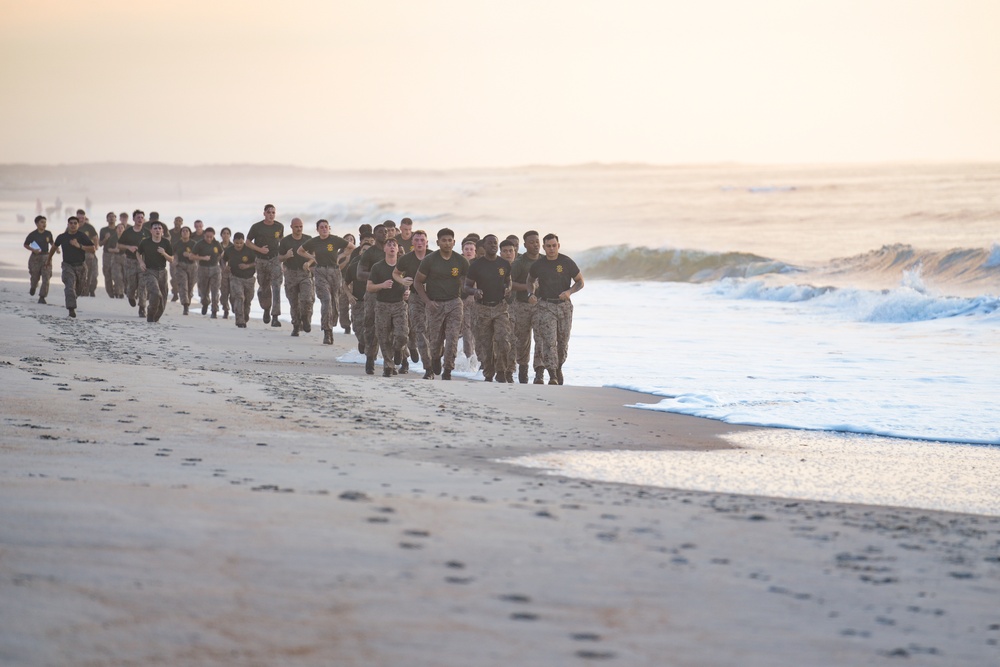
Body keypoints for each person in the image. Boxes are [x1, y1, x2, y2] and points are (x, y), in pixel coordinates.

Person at [527, 233, 584, 385]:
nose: (551, 249)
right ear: (544, 247)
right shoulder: (538, 265)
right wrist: (530, 293)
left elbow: (580, 282)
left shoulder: (567, 262)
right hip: (545, 305)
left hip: (564, 306)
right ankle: (552, 375)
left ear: (558, 245)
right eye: (548, 246)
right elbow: (530, 280)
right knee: (549, 341)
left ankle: (558, 367)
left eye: (554, 245)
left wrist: (569, 291)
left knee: (563, 342)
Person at [414, 228, 469, 380]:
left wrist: (469, 294)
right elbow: (417, 282)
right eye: (443, 240)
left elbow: (469, 280)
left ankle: (448, 370)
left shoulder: (460, 261)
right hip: (435, 304)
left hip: (454, 303)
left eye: (449, 240)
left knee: (452, 338)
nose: (447, 243)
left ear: (454, 242)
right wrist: (427, 302)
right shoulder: (430, 260)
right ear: (438, 242)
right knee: (435, 341)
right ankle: (434, 362)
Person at [465, 235, 513, 382]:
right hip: (482, 308)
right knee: (485, 345)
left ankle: (501, 371)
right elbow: (466, 286)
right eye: (490, 243)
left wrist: (508, 288)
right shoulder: (476, 265)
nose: (493, 245)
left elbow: (509, 281)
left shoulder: (504, 264)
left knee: (503, 341)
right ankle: (488, 373)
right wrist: (475, 292)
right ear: (483, 246)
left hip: (500, 307)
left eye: (495, 243)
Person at [299, 219, 350, 344]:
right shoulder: (314, 241)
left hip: (335, 272)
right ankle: (327, 332)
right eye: (321, 227)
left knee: (335, 301)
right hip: (321, 272)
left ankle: (331, 324)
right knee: (326, 300)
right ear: (317, 229)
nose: (324, 229)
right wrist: (311, 257)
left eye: (326, 227)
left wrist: (341, 256)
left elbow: (352, 247)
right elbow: (300, 250)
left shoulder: (335, 240)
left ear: (329, 228)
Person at [367, 237, 409, 376]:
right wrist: (382, 285)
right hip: (382, 305)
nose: (392, 247)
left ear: (397, 249)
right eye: (389, 245)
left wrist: (408, 291)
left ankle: (398, 350)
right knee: (383, 337)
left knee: (402, 335)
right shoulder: (377, 267)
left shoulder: (403, 266)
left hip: (399, 305)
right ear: (384, 249)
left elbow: (412, 282)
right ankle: (388, 367)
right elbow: (369, 287)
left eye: (394, 245)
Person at [393, 228, 430, 368]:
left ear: (427, 242)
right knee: (419, 329)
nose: (419, 243)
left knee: (433, 332)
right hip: (415, 297)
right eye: (416, 240)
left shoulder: (434, 256)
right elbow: (396, 273)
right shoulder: (406, 259)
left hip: (434, 298)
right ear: (412, 242)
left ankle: (434, 356)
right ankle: (427, 365)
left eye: (422, 240)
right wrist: (403, 282)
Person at [511, 230, 544, 383]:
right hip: (522, 305)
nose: (535, 244)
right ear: (525, 245)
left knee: (541, 339)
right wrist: (528, 287)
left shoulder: (546, 261)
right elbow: (509, 283)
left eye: (537, 241)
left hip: (541, 306)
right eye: (531, 242)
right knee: (522, 341)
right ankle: (523, 373)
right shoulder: (519, 263)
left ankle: (539, 373)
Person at [356, 223, 389, 373]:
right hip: (372, 294)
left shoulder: (393, 250)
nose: (385, 234)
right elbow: (360, 274)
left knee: (390, 328)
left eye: (387, 231)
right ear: (375, 236)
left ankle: (391, 361)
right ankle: (370, 358)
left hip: (391, 294)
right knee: (370, 326)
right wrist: (377, 277)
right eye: (381, 232)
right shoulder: (370, 253)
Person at [47, 216, 95, 318]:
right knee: (69, 286)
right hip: (67, 266)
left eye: (75, 223)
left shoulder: (82, 236)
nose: (73, 225)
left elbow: (93, 249)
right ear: (68, 224)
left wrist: (79, 246)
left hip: (81, 266)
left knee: (79, 290)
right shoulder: (62, 237)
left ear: (78, 225)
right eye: (71, 223)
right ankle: (71, 309)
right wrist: (48, 259)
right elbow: (54, 248)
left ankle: (71, 300)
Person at [245, 204, 284, 327]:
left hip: (275, 260)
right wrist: (259, 249)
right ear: (264, 214)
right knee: (264, 287)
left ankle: (275, 316)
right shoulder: (257, 227)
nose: (271, 215)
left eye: (273, 212)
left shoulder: (279, 226)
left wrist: (284, 257)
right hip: (261, 261)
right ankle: (266, 308)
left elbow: (282, 242)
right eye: (269, 212)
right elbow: (248, 242)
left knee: (276, 286)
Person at [278, 217, 313, 336]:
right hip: (291, 274)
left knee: (307, 299)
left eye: (301, 226)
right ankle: (296, 325)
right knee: (294, 303)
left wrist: (308, 263)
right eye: (296, 227)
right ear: (291, 227)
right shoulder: (285, 241)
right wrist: (286, 256)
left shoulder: (308, 239)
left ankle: (306, 319)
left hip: (304, 274)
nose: (299, 229)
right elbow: (278, 258)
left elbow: (314, 256)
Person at [136, 220, 173, 323]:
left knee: (163, 300)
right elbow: (138, 253)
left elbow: (171, 259)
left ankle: (154, 318)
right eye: (155, 228)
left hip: (162, 272)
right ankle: (150, 313)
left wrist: (164, 253)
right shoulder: (145, 242)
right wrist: (141, 263)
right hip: (149, 271)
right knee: (156, 293)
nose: (157, 230)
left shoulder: (166, 242)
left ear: (163, 231)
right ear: (151, 231)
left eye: (159, 228)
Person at [344, 234, 375, 353]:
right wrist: (349, 295)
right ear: (360, 251)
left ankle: (370, 352)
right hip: (358, 302)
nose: (366, 252)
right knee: (357, 328)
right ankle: (362, 342)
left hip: (372, 302)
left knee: (371, 329)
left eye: (368, 251)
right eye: (364, 250)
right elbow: (345, 283)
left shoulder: (376, 266)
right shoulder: (353, 266)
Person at [116, 210, 150, 317]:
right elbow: (119, 245)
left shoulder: (147, 232)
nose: (140, 219)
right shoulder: (128, 232)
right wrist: (128, 247)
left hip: (143, 262)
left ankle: (142, 307)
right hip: (130, 261)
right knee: (131, 284)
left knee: (142, 285)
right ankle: (130, 295)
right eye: (138, 217)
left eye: (142, 217)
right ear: (134, 219)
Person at [225, 232, 256, 328]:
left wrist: (247, 266)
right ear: (233, 241)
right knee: (239, 297)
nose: (238, 245)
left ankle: (244, 316)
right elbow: (223, 259)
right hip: (235, 277)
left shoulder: (250, 250)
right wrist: (225, 267)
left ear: (244, 242)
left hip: (249, 278)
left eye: (241, 243)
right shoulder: (229, 250)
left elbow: (257, 262)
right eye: (237, 243)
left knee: (247, 300)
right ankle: (239, 320)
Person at [192, 226, 223, 318]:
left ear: (214, 236)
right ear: (204, 235)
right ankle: (205, 303)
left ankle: (214, 311)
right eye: (207, 236)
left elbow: (222, 253)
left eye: (211, 237)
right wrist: (202, 258)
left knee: (215, 290)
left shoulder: (216, 243)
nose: (209, 238)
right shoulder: (199, 244)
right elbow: (192, 256)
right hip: (203, 269)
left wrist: (220, 261)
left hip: (215, 269)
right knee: (203, 291)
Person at [24, 215, 54, 304]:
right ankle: (33, 286)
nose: (44, 224)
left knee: (46, 277)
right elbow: (25, 244)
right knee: (34, 276)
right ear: (37, 224)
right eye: (42, 222)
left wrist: (56, 249)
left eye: (45, 222)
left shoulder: (48, 233)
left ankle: (42, 297)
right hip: (35, 258)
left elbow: (52, 242)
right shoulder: (32, 234)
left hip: (46, 257)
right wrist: (33, 250)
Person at [459, 237, 479, 361]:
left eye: (471, 249)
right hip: (463, 300)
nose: (469, 251)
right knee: (466, 329)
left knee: (477, 329)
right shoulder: (459, 263)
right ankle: (468, 357)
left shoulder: (479, 264)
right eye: (466, 249)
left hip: (477, 300)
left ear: (475, 251)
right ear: (462, 250)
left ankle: (477, 357)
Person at [172, 226, 198, 315]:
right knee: (183, 285)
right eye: (183, 231)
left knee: (190, 287)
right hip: (181, 266)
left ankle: (188, 300)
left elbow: (199, 256)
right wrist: (174, 260)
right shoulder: (177, 244)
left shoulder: (194, 244)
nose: (185, 232)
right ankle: (185, 305)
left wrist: (190, 255)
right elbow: (173, 254)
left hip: (192, 266)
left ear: (190, 233)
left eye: (187, 231)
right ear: (181, 233)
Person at [75, 210, 100, 297]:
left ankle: (89, 291)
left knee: (90, 274)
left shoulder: (89, 227)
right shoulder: (73, 226)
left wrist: (95, 247)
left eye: (83, 218)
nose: (81, 219)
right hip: (77, 254)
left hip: (88, 253)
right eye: (79, 218)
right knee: (78, 273)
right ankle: (81, 291)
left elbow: (95, 237)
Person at [98, 212, 122, 298]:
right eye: (109, 217)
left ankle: (118, 292)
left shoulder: (119, 228)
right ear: (107, 219)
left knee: (117, 275)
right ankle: (111, 294)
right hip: (107, 254)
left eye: (113, 217)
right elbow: (100, 244)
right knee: (107, 274)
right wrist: (105, 238)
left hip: (117, 255)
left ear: (116, 219)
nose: (111, 218)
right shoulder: (103, 230)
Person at [168, 216, 185, 302]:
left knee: (183, 277)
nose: (177, 222)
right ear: (174, 222)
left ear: (181, 223)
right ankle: (175, 293)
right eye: (176, 221)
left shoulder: (184, 232)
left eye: (179, 221)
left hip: (183, 258)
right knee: (174, 276)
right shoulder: (169, 232)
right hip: (172, 257)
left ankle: (185, 294)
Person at [218, 227, 232, 319]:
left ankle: (235, 307)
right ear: (221, 235)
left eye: (227, 233)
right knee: (223, 292)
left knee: (233, 292)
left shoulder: (234, 246)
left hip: (232, 271)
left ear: (230, 235)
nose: (225, 235)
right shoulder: (218, 245)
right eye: (224, 233)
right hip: (220, 271)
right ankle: (225, 309)